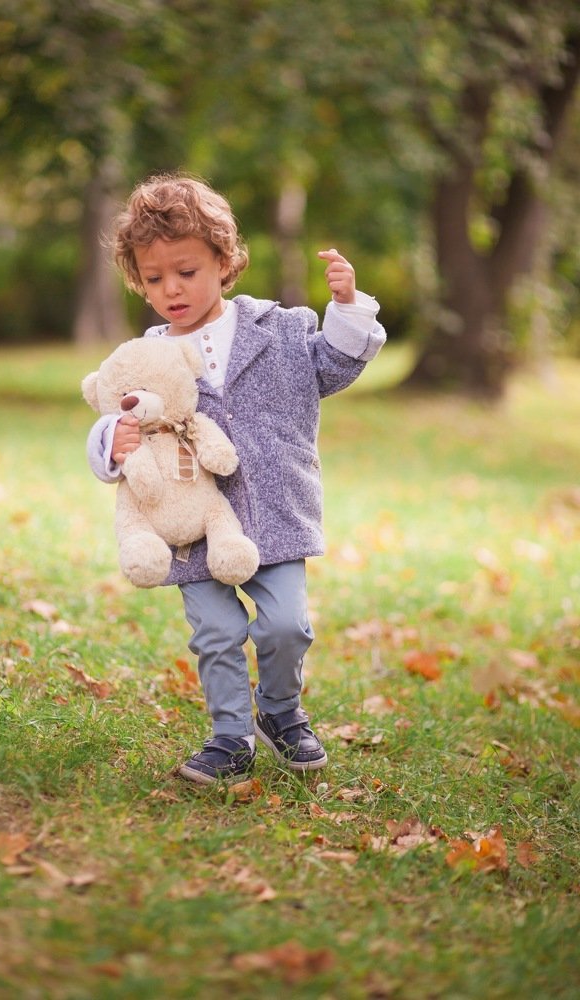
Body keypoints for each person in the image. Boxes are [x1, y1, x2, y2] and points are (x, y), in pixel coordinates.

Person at [86, 174, 386, 785]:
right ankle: (229, 737)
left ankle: (280, 711)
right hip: (190, 522)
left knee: (285, 626)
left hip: (276, 510)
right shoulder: (146, 356)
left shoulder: (279, 330)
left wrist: (348, 306)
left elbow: (336, 364)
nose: (170, 289)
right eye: (153, 278)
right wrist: (109, 446)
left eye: (187, 271)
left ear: (224, 262)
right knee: (217, 634)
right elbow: (112, 415)